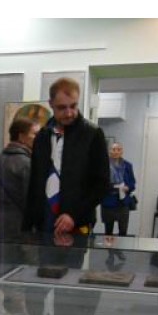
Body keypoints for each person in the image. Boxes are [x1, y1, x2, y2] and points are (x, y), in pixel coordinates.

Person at [22, 77, 109, 242]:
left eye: (73, 106)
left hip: (76, 224)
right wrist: (26, 228)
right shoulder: (42, 136)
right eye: (62, 108)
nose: (69, 113)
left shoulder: (93, 135)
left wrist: (74, 215)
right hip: (43, 223)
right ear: (51, 104)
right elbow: (35, 183)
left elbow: (102, 185)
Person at [0, 117, 39, 281]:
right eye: (35, 134)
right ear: (22, 136)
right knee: (17, 281)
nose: (38, 138)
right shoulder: (28, 164)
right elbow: (31, 204)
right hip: (18, 231)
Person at [100, 142, 136, 236]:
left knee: (123, 231)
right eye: (113, 149)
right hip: (108, 202)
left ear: (122, 151)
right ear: (109, 151)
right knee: (108, 232)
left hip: (123, 202)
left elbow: (132, 183)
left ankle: (121, 246)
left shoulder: (128, 165)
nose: (116, 152)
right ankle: (108, 246)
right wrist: (113, 187)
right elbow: (100, 183)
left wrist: (128, 187)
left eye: (118, 149)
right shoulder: (103, 165)